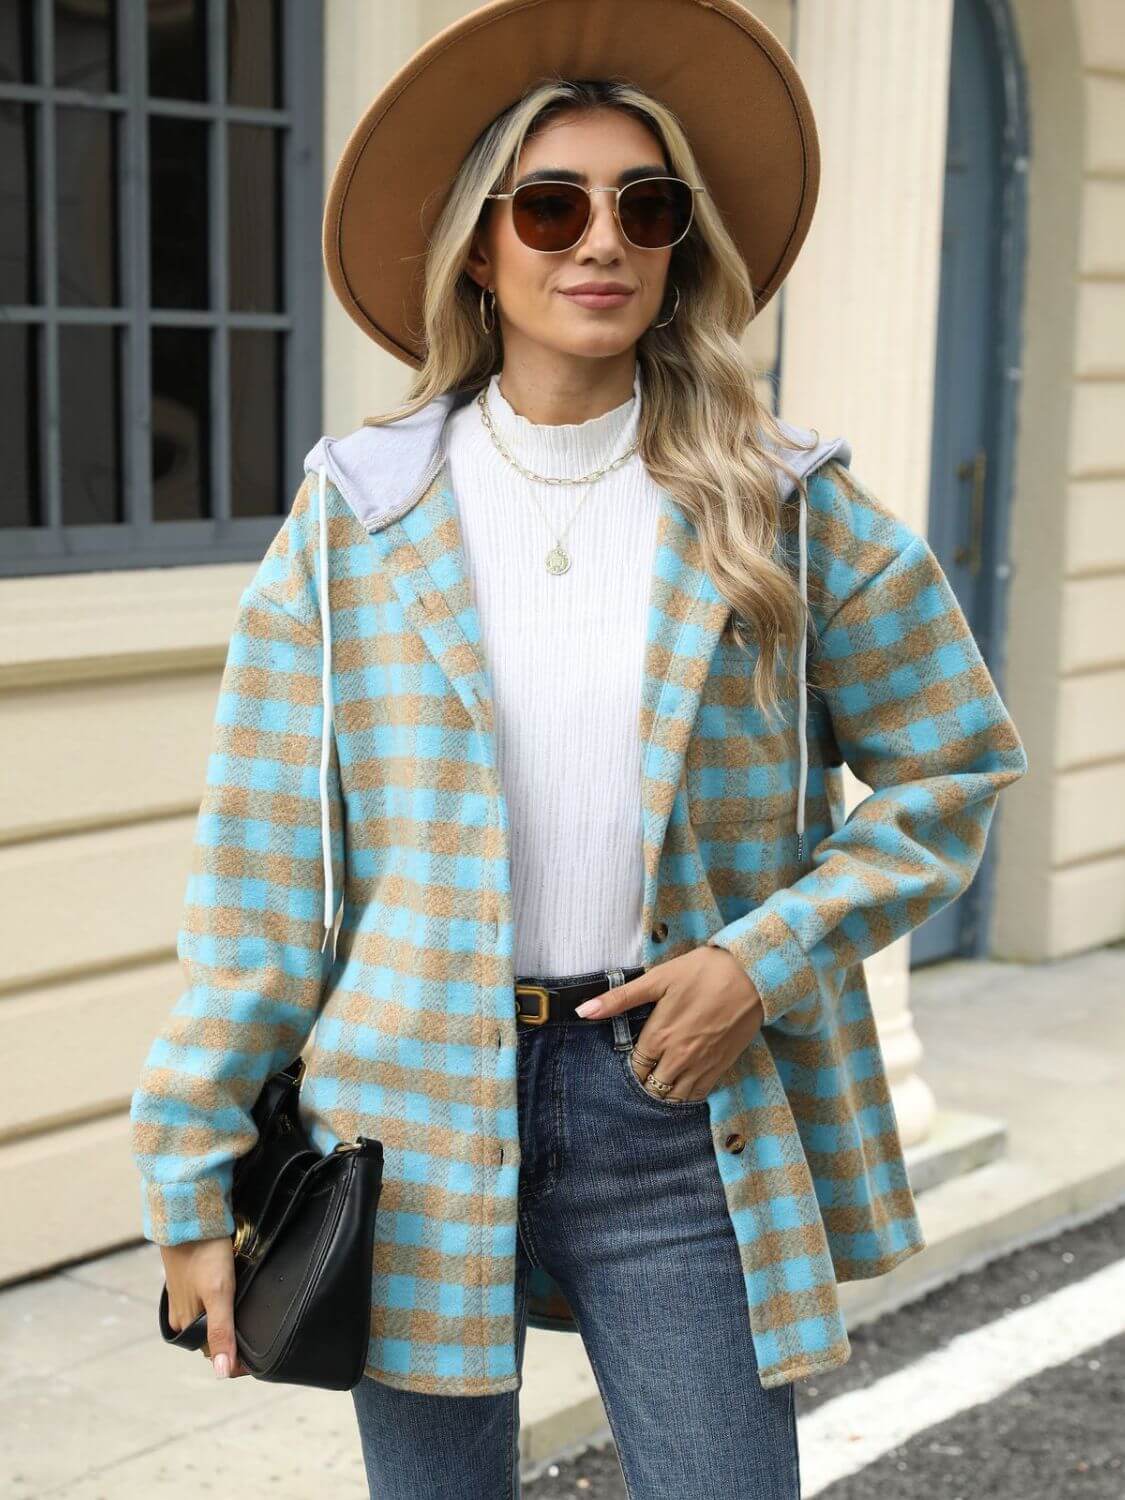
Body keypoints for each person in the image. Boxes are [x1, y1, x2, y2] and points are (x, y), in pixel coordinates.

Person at [129, 2, 1029, 1496]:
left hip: (675, 1100)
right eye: (550, 205)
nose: (596, 240)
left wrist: (765, 956)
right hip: (403, 1118)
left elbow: (951, 767)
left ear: (679, 252)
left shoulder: (788, 510)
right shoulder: (356, 523)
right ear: (481, 248)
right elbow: (260, 884)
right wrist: (186, 1170)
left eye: (644, 205)